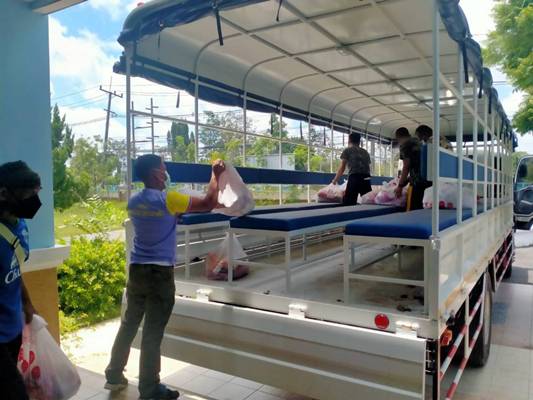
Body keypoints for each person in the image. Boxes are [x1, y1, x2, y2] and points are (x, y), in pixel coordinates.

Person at [105, 155, 225, 400]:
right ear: (156, 174)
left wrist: (172, 216)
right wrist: (215, 174)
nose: (166, 171)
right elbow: (209, 202)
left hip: (137, 269)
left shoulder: (134, 201)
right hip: (159, 273)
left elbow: (156, 218)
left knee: (129, 324)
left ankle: (114, 375)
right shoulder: (169, 199)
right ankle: (150, 389)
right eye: (164, 168)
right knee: (152, 332)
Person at [0, 161, 41, 400]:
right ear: (4, 194)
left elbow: (14, 268)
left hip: (13, 326)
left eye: (37, 192)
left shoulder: (19, 224)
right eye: (29, 194)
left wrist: (26, 302)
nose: (35, 200)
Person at [394, 126, 431, 210]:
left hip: (417, 183)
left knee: (414, 209)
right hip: (428, 180)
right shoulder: (420, 142)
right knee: (424, 209)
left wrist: (400, 186)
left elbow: (406, 166)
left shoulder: (405, 145)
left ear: (398, 137)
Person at [331, 132, 372, 205]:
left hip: (355, 177)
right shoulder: (365, 152)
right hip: (366, 178)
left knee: (349, 202)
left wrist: (335, 180)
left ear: (349, 140)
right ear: (359, 141)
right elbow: (368, 167)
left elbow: (342, 167)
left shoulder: (347, 150)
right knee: (367, 201)